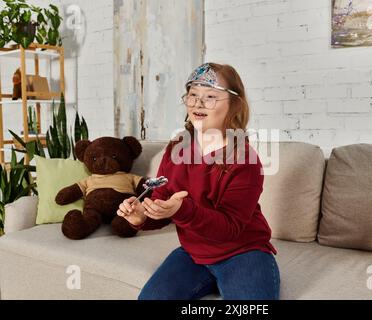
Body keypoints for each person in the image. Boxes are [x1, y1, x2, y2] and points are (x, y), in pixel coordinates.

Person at [117, 62, 280, 300]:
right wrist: (142, 216)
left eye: (211, 96)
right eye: (192, 95)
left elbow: (231, 228)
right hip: (193, 254)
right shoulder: (177, 148)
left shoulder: (245, 160)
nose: (197, 103)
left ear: (235, 104)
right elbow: (162, 201)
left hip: (243, 253)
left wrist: (183, 210)